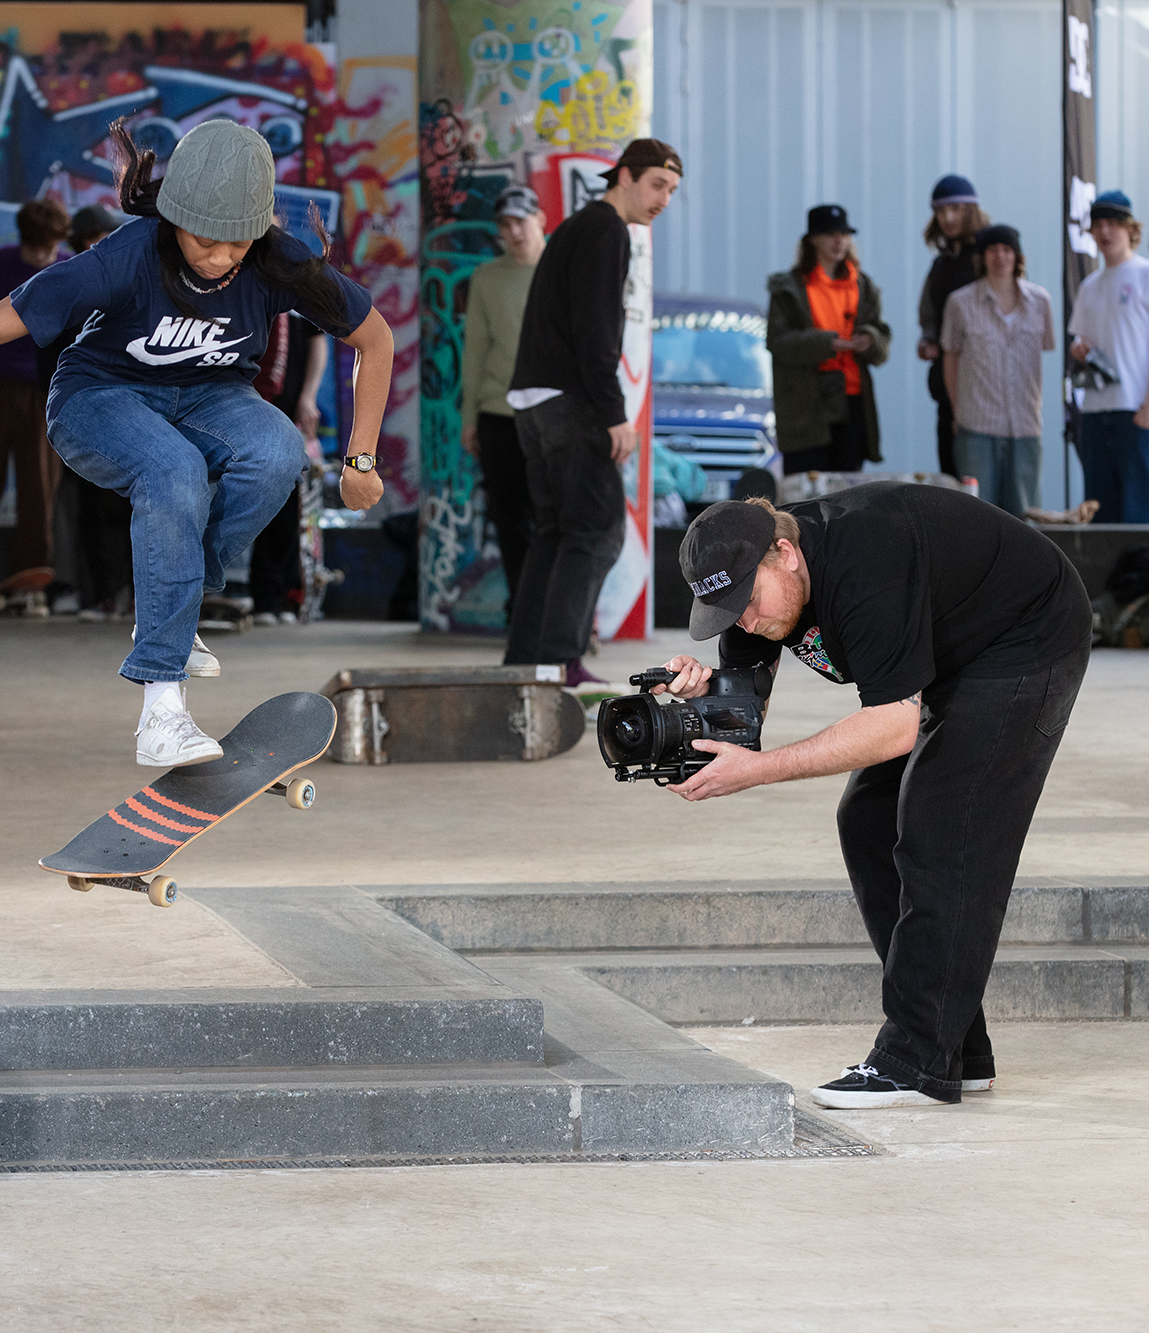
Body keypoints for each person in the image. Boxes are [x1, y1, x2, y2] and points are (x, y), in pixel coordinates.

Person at [0, 118, 393, 764]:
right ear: (172, 216)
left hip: (209, 397)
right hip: (98, 399)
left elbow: (375, 338)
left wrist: (360, 459)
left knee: (278, 449)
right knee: (174, 470)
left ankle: (178, 602)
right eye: (202, 239)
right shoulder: (122, 258)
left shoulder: (280, 263)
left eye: (236, 245)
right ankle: (162, 712)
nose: (218, 258)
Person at [655, 484, 1091, 1107]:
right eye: (728, 614)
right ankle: (956, 1049)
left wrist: (758, 771)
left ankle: (915, 1059)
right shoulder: (753, 591)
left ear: (785, 552)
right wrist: (700, 707)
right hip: (953, 646)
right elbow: (740, 719)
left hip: (1027, 633)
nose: (745, 622)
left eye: (747, 603)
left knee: (946, 822)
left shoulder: (865, 561)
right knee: (868, 819)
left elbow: (893, 726)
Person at [504, 137, 682, 684]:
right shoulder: (607, 230)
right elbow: (596, 333)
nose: (664, 200)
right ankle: (560, 662)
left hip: (536, 402)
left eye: (672, 191)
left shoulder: (579, 228)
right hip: (570, 404)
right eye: (657, 185)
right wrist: (614, 413)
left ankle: (529, 664)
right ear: (623, 175)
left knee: (557, 533)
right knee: (597, 533)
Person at [0, 197, 72, 604]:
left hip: (46, 391)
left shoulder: (68, 266)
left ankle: (29, 579)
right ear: (23, 240)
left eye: (51, 248)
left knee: (39, 488)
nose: (44, 256)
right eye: (37, 248)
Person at [38, 204, 132, 622]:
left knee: (128, 504)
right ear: (78, 243)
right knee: (89, 507)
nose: (99, 246)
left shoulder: (130, 277)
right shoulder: (70, 283)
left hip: (129, 408)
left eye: (105, 237)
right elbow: (46, 350)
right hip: (83, 409)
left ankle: (126, 591)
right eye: (91, 239)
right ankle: (96, 593)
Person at [1066, 190, 1149, 523]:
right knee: (1101, 511)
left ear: (1130, 228)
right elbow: (1083, 341)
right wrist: (1080, 349)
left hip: (1138, 409)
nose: (1104, 232)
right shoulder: (1089, 285)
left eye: (1113, 224)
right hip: (1096, 410)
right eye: (1098, 224)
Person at [461, 185, 544, 619]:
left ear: (540, 219)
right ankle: (524, 610)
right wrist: (469, 417)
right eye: (505, 225)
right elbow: (475, 348)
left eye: (520, 221)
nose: (513, 232)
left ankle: (556, 613)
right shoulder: (487, 277)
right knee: (509, 523)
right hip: (498, 415)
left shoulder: (560, 271)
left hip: (549, 417)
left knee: (552, 520)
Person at [766, 204, 891, 475]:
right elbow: (777, 341)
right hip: (807, 405)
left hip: (853, 398)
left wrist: (869, 340)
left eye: (844, 234)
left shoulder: (863, 285)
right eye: (830, 234)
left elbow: (882, 336)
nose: (839, 241)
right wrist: (827, 344)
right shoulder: (789, 287)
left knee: (847, 491)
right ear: (812, 239)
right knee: (805, 491)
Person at [939, 223, 1051, 516]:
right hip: (976, 424)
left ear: (1017, 256)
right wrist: (956, 409)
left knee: (1026, 516)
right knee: (978, 515)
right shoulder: (960, 303)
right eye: (992, 250)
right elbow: (950, 358)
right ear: (982, 257)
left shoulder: (1040, 302)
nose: (1000, 257)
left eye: (1007, 250)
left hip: (1025, 424)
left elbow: (1044, 351)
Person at [244, 310, 328, 625]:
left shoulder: (297, 276)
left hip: (289, 406)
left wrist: (309, 396)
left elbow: (317, 339)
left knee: (288, 501)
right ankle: (254, 592)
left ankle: (279, 595)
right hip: (247, 402)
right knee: (249, 496)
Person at [915, 175, 987, 474]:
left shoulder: (988, 257)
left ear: (971, 210)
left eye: (956, 209)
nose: (948, 218)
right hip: (948, 382)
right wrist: (929, 339)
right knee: (952, 470)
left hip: (985, 382)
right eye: (940, 212)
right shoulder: (940, 264)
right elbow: (929, 313)